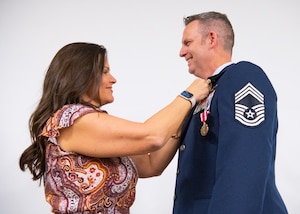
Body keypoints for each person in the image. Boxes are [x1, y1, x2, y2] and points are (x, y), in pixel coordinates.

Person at [19, 42, 211, 214]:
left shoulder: (91, 125)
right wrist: (189, 95)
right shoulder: (72, 119)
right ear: (81, 75)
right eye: (104, 71)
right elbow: (151, 137)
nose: (113, 79)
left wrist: (185, 115)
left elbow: (152, 165)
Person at [172, 11, 288, 213]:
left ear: (211, 39)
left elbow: (244, 167)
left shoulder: (243, 78)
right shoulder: (204, 93)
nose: (181, 52)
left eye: (187, 42)